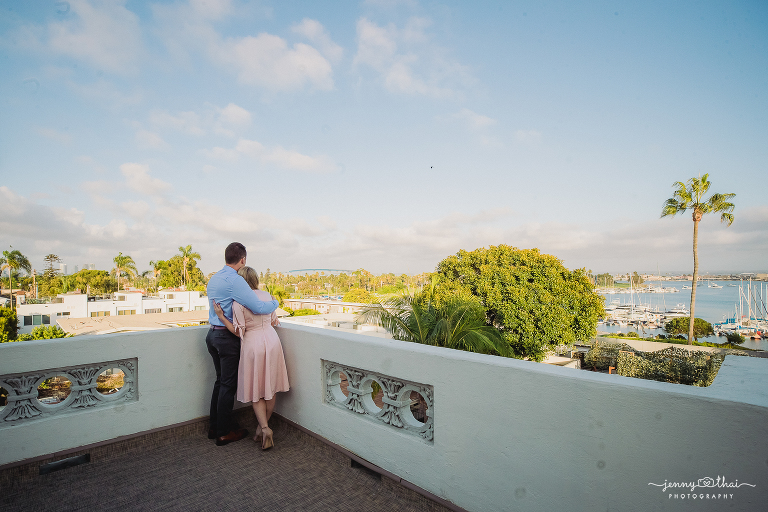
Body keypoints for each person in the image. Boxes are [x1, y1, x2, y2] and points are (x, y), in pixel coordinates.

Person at [206, 242, 279, 446]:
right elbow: (257, 306)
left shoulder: (214, 278)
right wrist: (275, 303)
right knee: (227, 385)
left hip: (212, 335)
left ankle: (214, 426)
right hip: (227, 338)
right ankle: (223, 432)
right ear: (243, 259)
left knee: (220, 382)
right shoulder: (235, 280)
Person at [213, 266, 289, 450]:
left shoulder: (238, 303)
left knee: (257, 390)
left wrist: (222, 318)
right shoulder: (268, 296)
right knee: (270, 388)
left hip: (253, 345)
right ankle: (260, 429)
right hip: (272, 341)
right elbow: (273, 320)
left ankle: (264, 428)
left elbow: (239, 332)